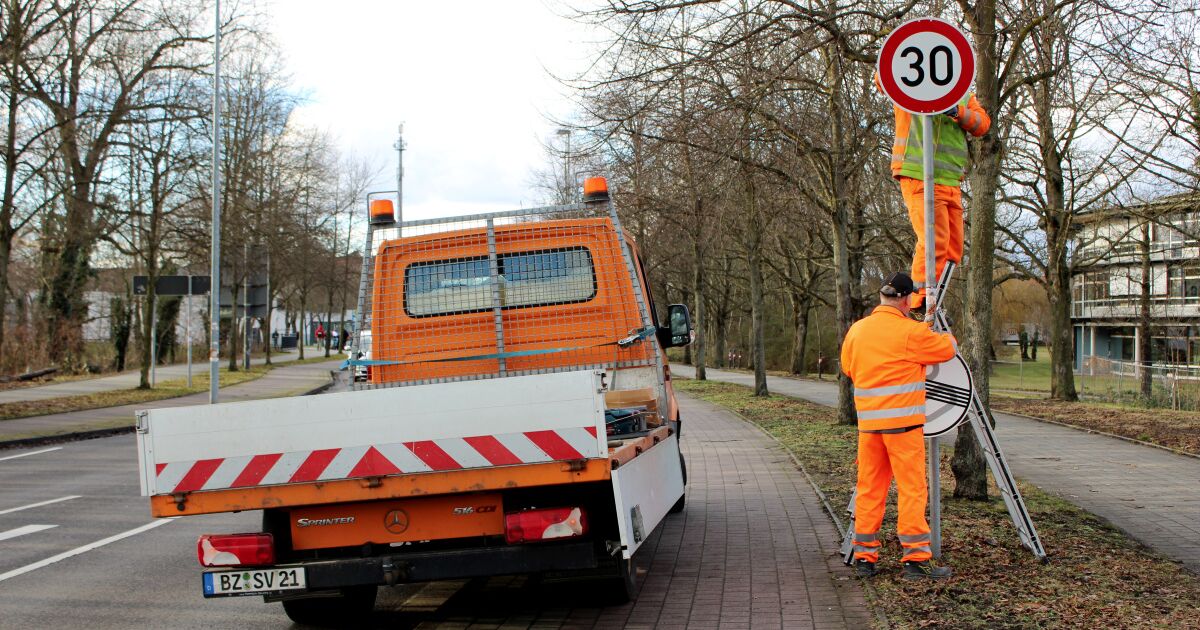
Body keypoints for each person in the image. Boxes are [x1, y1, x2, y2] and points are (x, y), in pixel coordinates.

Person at [840, 272, 957, 580]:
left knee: (869, 490)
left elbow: (848, 367)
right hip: (903, 428)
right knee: (912, 490)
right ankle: (916, 558)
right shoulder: (910, 331)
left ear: (882, 297)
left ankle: (865, 557)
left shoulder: (857, 331)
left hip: (869, 427)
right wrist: (944, 330)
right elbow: (946, 351)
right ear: (906, 300)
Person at [881, 77, 991, 313]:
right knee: (933, 241)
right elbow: (885, 76)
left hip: (950, 179)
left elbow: (982, 123)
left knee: (953, 248)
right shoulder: (909, 84)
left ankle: (934, 300)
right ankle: (920, 303)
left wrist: (957, 111)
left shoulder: (962, 95)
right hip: (919, 173)